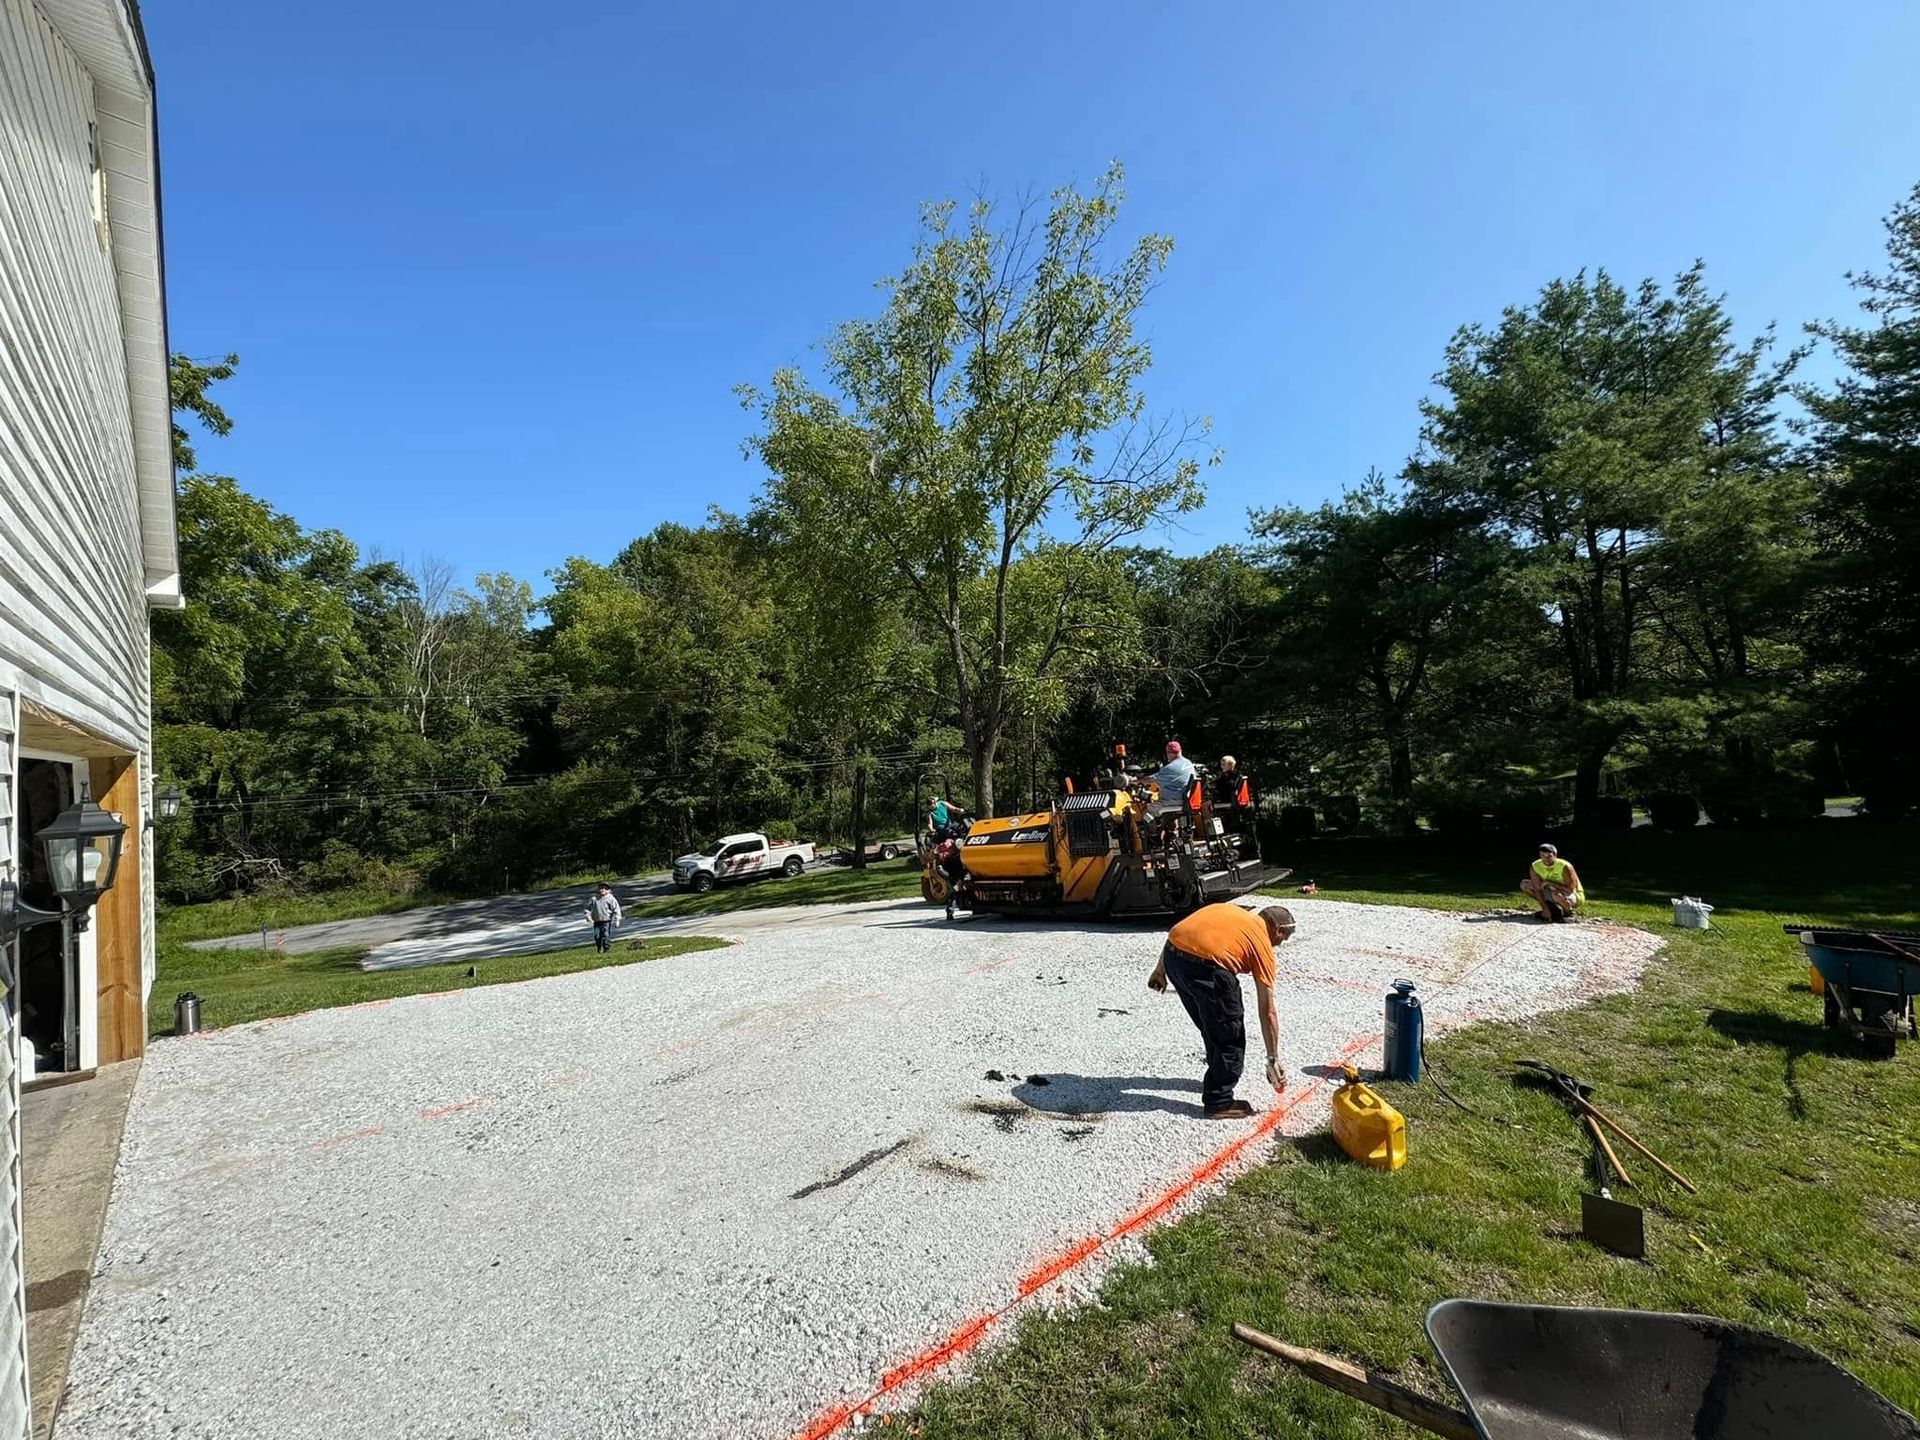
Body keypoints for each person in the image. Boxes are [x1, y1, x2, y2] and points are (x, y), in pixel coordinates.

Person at [1147, 902, 1294, 1118]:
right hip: (1207, 970)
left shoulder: (1230, 911)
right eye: (1282, 940)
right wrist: (1273, 1058)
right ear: (1278, 930)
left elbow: (1180, 931)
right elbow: (1268, 1010)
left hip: (1173, 958)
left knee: (1211, 1025)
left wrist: (1160, 970)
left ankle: (1217, 1074)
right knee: (1229, 1037)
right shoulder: (1262, 944)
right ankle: (1219, 1101)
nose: (1278, 946)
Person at [1521, 843, 1584, 922]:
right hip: (1550, 890)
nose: (1546, 859)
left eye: (1549, 856)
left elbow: (1570, 889)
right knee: (1525, 885)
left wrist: (1550, 883)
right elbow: (1537, 888)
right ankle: (1551, 909)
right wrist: (1544, 909)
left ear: (1555, 855)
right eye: (1542, 856)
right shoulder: (1535, 866)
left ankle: (1568, 912)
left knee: (1556, 895)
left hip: (1571, 894)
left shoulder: (1565, 866)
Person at [1149, 741, 1197, 822]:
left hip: (1174, 801)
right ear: (1180, 751)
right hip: (1187, 800)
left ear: (1168, 753)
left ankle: (1152, 834)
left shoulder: (1170, 768)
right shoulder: (1188, 763)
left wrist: (1134, 781)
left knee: (1147, 811)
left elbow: (1150, 780)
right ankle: (1172, 830)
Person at [586, 882, 622, 953]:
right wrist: (587, 916)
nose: (602, 890)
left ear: (609, 890)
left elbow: (616, 909)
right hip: (597, 921)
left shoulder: (611, 899)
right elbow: (587, 908)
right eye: (601, 888)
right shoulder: (594, 899)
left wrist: (617, 920)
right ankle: (599, 947)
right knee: (597, 936)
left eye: (605, 888)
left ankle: (606, 948)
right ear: (598, 889)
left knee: (605, 935)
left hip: (606, 920)